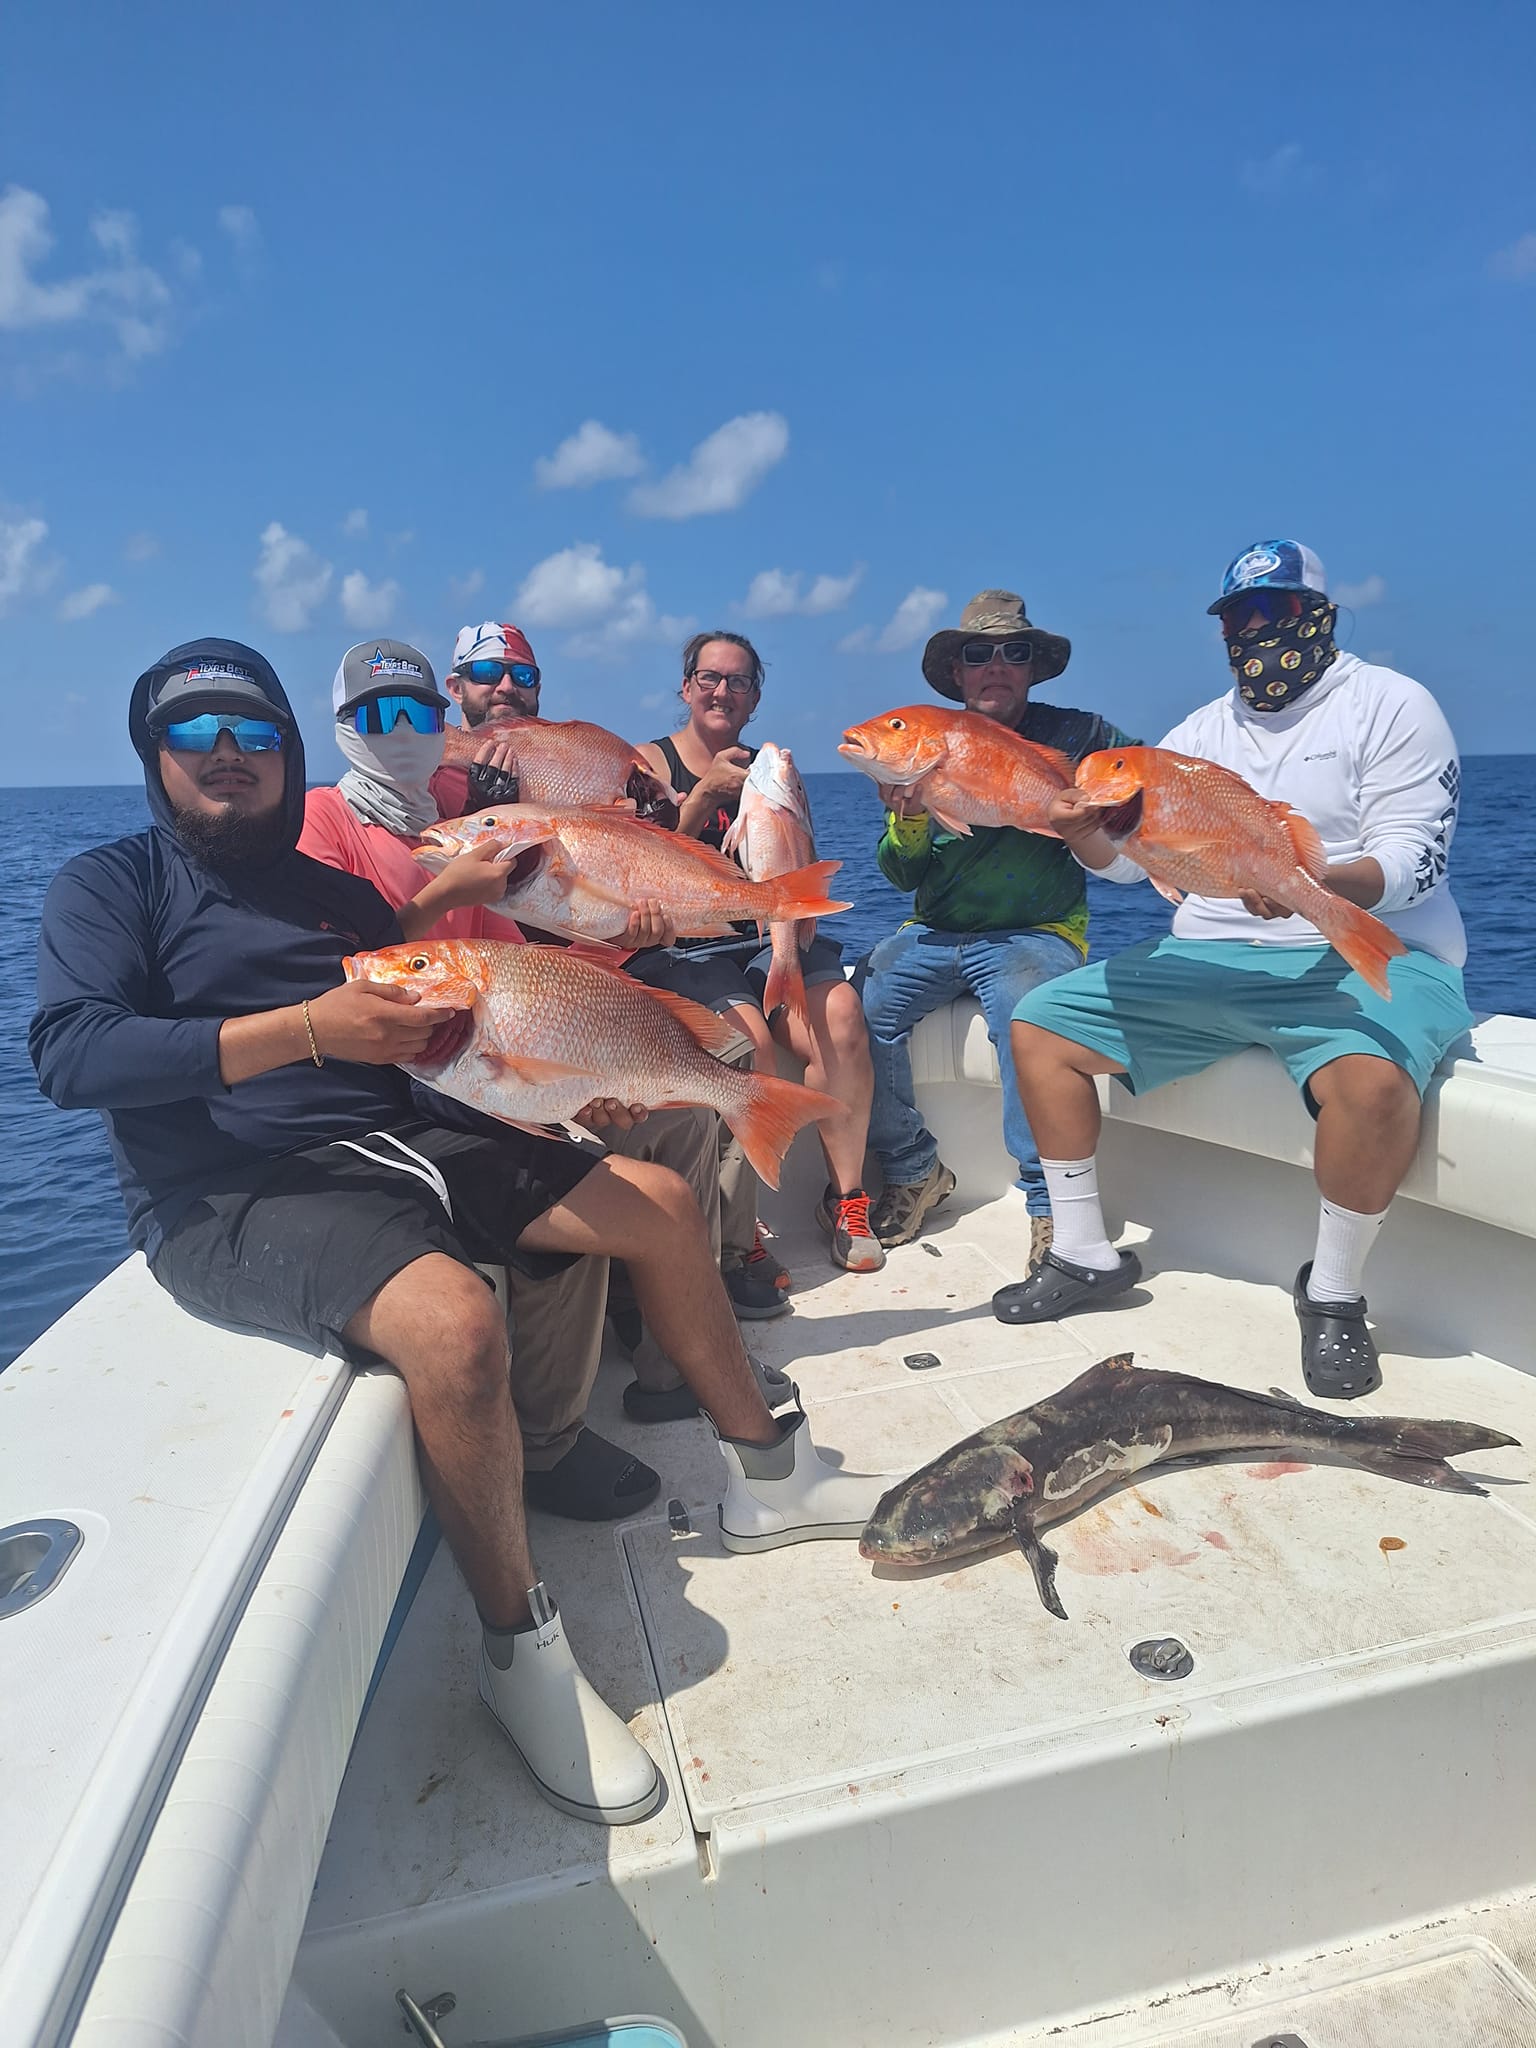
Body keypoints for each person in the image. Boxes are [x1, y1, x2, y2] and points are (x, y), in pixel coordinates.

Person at [29, 637, 892, 1830]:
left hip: (407, 1134)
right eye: (192, 738)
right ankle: (519, 1649)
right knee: (455, 1321)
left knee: (662, 1202)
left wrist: (573, 1082)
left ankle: (767, 1476)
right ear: (152, 758)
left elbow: (440, 1034)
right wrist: (305, 1031)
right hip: (233, 1189)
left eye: (251, 735)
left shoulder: (336, 900)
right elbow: (72, 1057)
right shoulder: (111, 886)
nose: (225, 757)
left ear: (285, 753)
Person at [994, 541, 1472, 1400]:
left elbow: (1418, 861)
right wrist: (1078, 830)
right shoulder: (1194, 737)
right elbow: (1134, 867)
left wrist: (1309, 884)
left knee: (1372, 1086)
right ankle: (1083, 1251)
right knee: (1039, 1025)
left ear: (1318, 614)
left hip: (1366, 941)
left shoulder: (1392, 704)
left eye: (1278, 612)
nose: (1257, 633)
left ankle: (1331, 1296)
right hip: (1206, 951)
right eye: (1238, 619)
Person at [859, 590, 1138, 1261]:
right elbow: (901, 873)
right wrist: (913, 813)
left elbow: (1143, 786)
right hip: (935, 932)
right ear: (957, 671)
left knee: (1028, 1013)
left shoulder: (1084, 735)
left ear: (1033, 665)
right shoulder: (927, 743)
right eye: (978, 653)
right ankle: (913, 1169)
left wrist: (1114, 811)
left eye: (1014, 652)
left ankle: (1051, 1208)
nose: (996, 665)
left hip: (1038, 934)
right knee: (859, 1005)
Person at [635, 630, 886, 1282]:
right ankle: (739, 1234)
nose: (722, 691)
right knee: (748, 1040)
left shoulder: (770, 770)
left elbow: (794, 862)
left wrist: (799, 923)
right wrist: (701, 801)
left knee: (841, 1018)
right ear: (686, 686)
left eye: (738, 681)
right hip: (691, 948)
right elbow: (636, 871)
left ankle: (848, 1202)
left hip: (772, 935)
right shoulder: (650, 765)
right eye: (710, 678)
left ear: (754, 698)